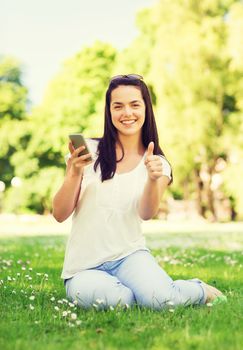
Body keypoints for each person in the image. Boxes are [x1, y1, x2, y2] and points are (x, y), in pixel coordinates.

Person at [52, 74, 223, 310]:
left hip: (130, 256)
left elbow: (146, 213)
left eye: (134, 105)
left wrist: (153, 180)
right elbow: (59, 213)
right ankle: (134, 289)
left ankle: (197, 289)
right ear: (109, 111)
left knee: (162, 301)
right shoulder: (90, 152)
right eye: (118, 106)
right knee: (118, 301)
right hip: (84, 267)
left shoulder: (158, 164)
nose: (127, 113)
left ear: (146, 108)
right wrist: (73, 173)